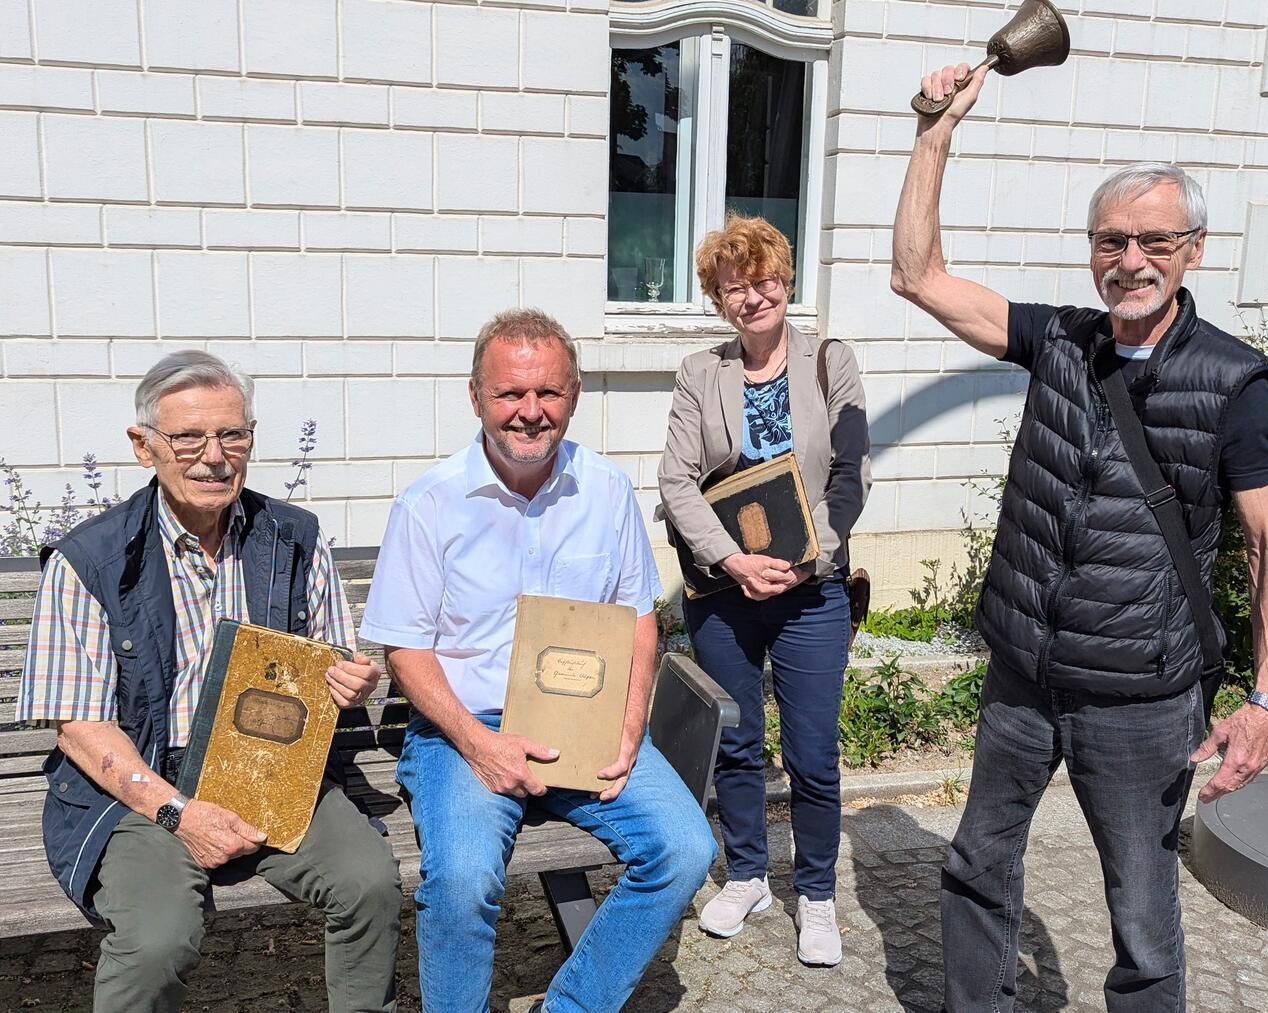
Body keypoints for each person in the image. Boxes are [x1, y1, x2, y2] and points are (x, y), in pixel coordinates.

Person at [890, 65, 1268, 1011]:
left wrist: (1266, 700)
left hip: (1143, 700)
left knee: (1144, 921)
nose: (1131, 258)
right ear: (1091, 252)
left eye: (1154, 239)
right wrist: (934, 133)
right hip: (1025, 678)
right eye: (1111, 240)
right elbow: (918, 276)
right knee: (976, 867)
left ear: (1192, 249)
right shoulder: (1061, 340)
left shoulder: (1233, 382)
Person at [17, 351, 402, 1013]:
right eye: (188, 437)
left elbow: (330, 659)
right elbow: (78, 723)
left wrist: (351, 681)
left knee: (369, 884)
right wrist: (176, 809)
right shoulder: (91, 559)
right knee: (159, 936)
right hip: (138, 782)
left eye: (233, 434)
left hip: (270, 766)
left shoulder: (293, 536)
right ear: (145, 447)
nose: (215, 455)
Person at [360, 308, 716, 1013]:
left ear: (575, 393)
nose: (531, 411)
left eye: (548, 392)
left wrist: (628, 722)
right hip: (466, 728)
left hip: (587, 724)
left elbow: (639, 620)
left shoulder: (606, 491)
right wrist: (478, 743)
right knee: (460, 880)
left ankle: (574, 1005)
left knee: (685, 850)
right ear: (475, 397)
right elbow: (404, 647)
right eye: (510, 393)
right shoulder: (429, 505)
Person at [656, 216, 870, 967]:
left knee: (812, 752)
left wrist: (814, 558)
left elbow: (852, 471)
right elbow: (675, 480)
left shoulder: (829, 361)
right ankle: (747, 874)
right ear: (719, 299)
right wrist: (730, 559)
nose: (752, 296)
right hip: (725, 589)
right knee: (738, 743)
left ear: (786, 278)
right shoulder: (700, 373)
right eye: (734, 286)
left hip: (813, 591)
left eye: (763, 279)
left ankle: (816, 890)